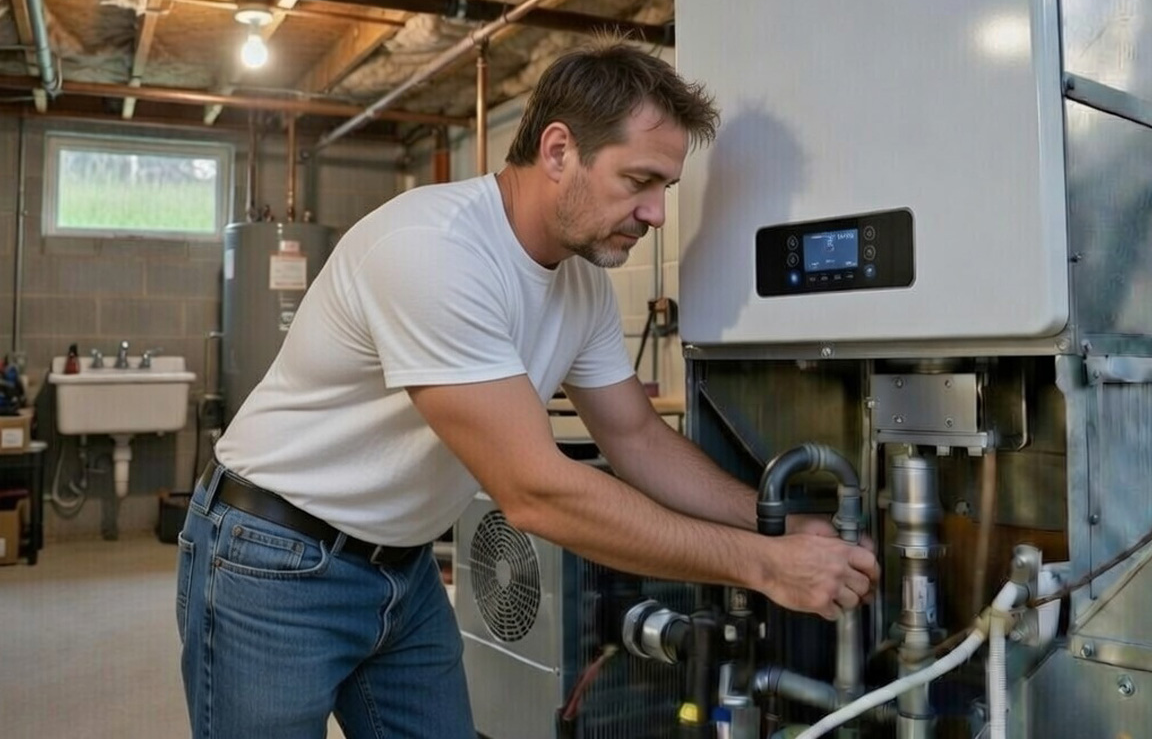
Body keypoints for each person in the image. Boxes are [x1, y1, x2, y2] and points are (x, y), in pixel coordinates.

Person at [177, 40, 879, 739]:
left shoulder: (582, 286)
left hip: (404, 566)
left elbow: (635, 438)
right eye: (638, 180)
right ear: (557, 151)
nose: (657, 214)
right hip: (273, 557)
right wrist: (763, 565)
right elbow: (535, 492)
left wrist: (769, 520)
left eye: (663, 189)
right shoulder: (435, 249)